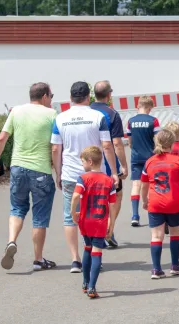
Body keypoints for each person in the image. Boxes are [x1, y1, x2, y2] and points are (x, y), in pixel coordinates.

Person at [51, 81, 119, 273]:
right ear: (88, 97)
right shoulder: (99, 116)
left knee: (70, 216)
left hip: (71, 174)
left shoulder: (60, 118)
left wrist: (58, 172)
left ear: (71, 98)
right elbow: (107, 146)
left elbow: (56, 148)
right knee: (97, 214)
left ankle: (75, 260)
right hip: (96, 176)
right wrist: (113, 172)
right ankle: (96, 252)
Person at [0, 82, 57, 271]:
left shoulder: (16, 111)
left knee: (17, 209)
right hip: (41, 171)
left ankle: (11, 241)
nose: (51, 100)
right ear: (44, 96)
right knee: (39, 217)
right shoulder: (51, 115)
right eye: (51, 96)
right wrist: (59, 171)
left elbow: (2, 137)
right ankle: (38, 259)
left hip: (18, 168)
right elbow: (55, 146)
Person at [141, 129, 179, 279]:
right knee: (174, 233)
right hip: (173, 201)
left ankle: (156, 269)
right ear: (172, 144)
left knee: (156, 236)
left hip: (155, 202)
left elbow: (144, 185)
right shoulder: (177, 161)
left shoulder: (149, 162)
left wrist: (144, 200)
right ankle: (175, 265)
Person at [70, 146, 117, 299]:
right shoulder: (109, 180)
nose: (82, 164)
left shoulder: (83, 178)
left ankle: (84, 282)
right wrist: (112, 224)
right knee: (97, 252)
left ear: (90, 162)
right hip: (100, 221)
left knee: (87, 248)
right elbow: (112, 205)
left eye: (83, 161)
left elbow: (76, 196)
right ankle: (92, 287)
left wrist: (73, 213)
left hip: (85, 219)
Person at [91, 80, 128, 248]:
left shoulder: (87, 110)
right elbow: (117, 143)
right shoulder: (111, 113)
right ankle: (108, 229)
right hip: (107, 162)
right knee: (115, 196)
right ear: (109, 95)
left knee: (92, 199)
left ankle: (94, 232)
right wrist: (123, 165)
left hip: (89, 162)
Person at [126, 96, 160, 227]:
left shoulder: (130, 121)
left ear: (138, 106)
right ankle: (154, 213)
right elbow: (157, 140)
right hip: (150, 158)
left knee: (136, 185)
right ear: (150, 108)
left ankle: (135, 215)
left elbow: (129, 141)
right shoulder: (153, 121)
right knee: (152, 185)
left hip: (136, 157)